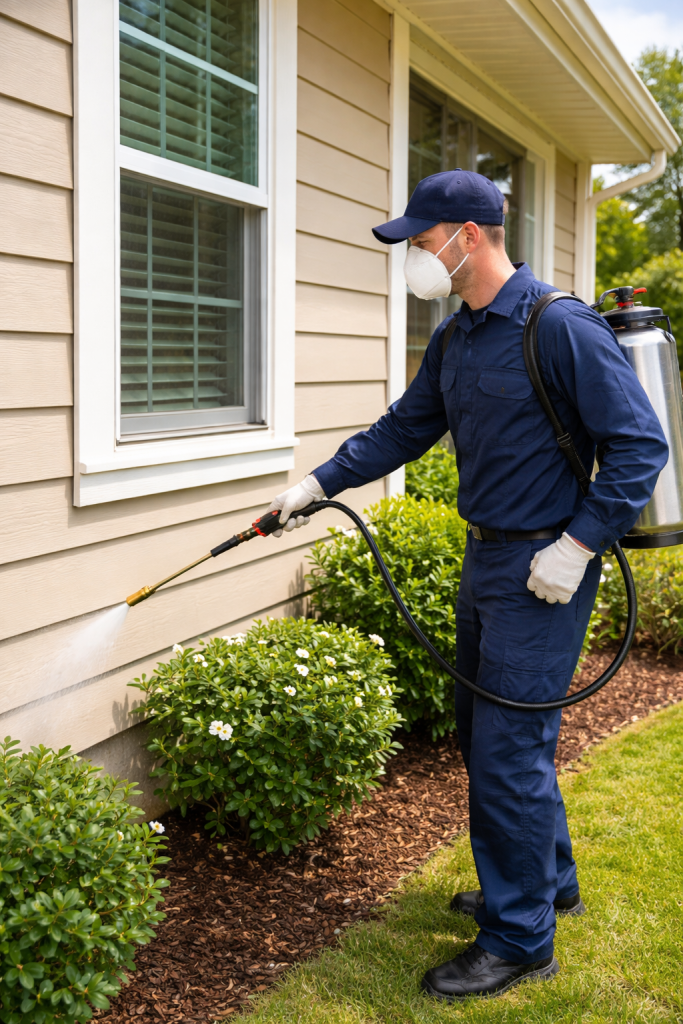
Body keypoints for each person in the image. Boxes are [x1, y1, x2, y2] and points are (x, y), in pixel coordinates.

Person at [266, 169, 669, 1001]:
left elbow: (639, 445)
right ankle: (546, 883)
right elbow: (406, 427)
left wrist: (576, 547)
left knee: (506, 754)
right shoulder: (457, 337)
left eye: (420, 240)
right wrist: (318, 484)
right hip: (484, 561)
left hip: (544, 572)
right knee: (485, 739)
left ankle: (520, 938)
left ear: (467, 236)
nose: (415, 254)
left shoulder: (558, 327)